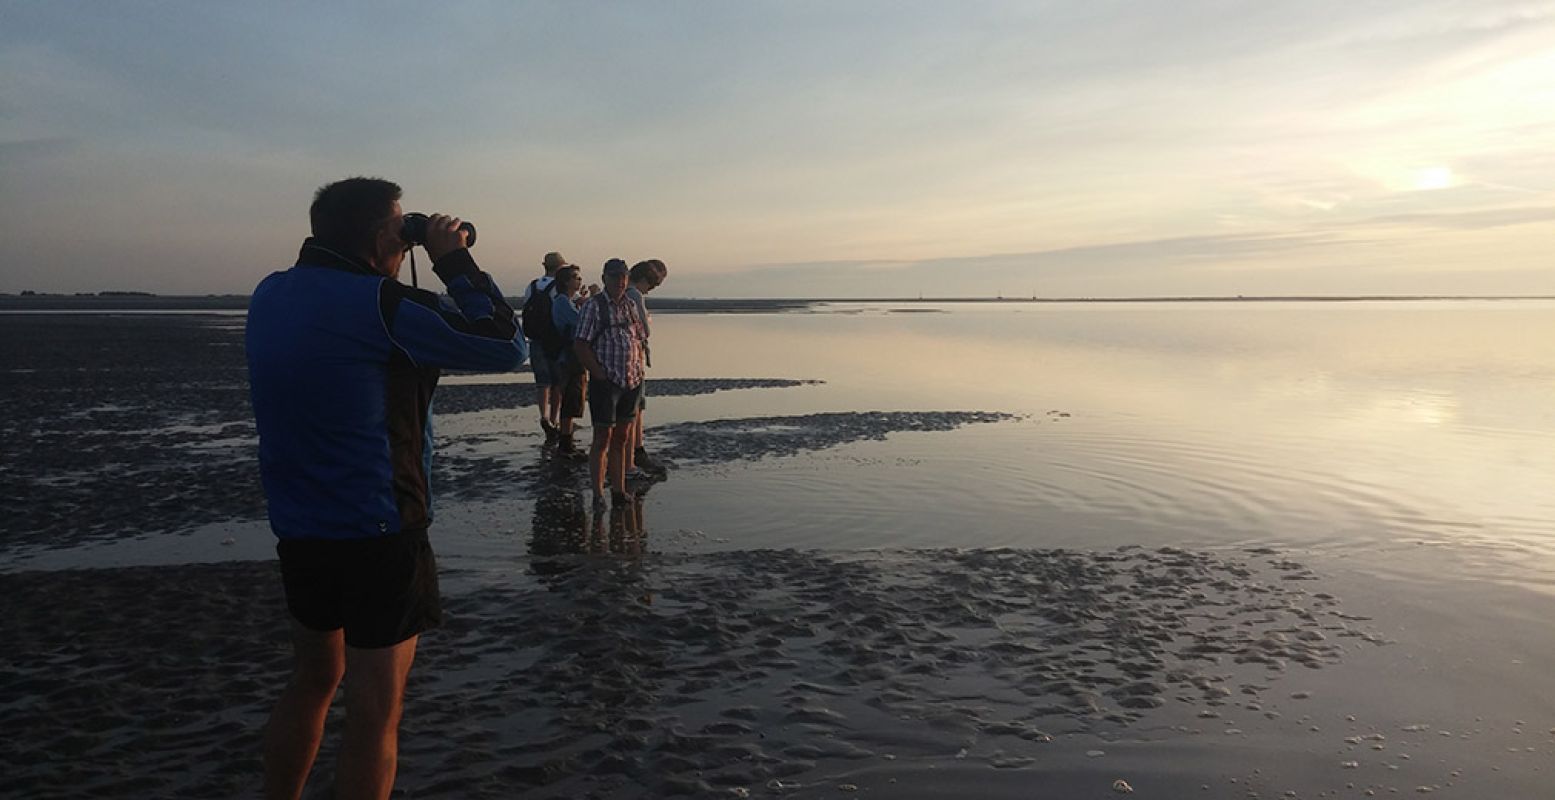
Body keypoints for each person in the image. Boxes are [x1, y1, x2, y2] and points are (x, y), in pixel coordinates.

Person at [246, 177, 526, 800]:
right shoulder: (382, 305)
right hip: (379, 528)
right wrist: (453, 259)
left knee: (312, 682)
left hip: (298, 525)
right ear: (381, 235)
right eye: (401, 229)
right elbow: (508, 348)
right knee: (376, 712)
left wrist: (413, 248)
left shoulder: (269, 294)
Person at [573, 258, 646, 505]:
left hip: (631, 381)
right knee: (602, 437)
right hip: (606, 383)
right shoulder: (594, 307)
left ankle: (618, 490)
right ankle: (597, 494)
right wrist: (598, 373)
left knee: (622, 438)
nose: (620, 281)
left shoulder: (630, 305)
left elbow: (638, 336)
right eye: (615, 277)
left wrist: (639, 369)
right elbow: (581, 344)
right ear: (605, 278)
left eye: (623, 276)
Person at [623, 259, 668, 479]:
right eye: (650, 287)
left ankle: (634, 453)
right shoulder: (634, 295)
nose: (649, 291)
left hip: (627, 360)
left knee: (634, 409)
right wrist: (647, 319)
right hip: (633, 360)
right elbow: (645, 329)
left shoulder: (621, 293)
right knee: (634, 409)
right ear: (642, 280)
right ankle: (634, 454)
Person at [522, 251, 569, 440]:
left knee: (542, 382)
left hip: (535, 339)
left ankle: (543, 416)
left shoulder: (532, 286)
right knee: (557, 383)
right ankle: (555, 420)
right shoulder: (558, 287)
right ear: (560, 267)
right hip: (554, 340)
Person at [548, 265, 588, 458]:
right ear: (565, 281)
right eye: (575, 277)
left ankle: (567, 440)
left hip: (572, 356)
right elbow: (581, 321)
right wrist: (587, 303)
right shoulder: (563, 302)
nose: (579, 280)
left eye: (579, 277)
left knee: (573, 398)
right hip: (569, 356)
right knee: (571, 397)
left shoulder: (568, 301)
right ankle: (565, 443)